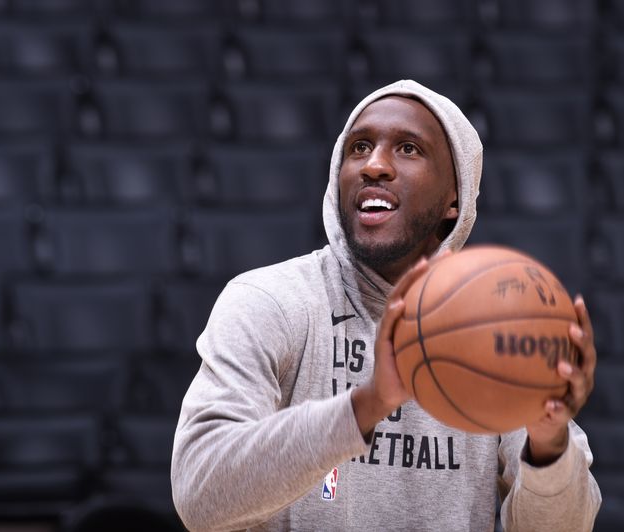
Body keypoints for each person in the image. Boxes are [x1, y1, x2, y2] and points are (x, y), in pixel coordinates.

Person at [171, 80, 601, 531]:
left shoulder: (501, 324)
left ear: (455, 198)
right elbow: (199, 497)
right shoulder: (270, 302)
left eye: (409, 149)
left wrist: (549, 444)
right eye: (358, 147)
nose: (374, 165)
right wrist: (367, 405)